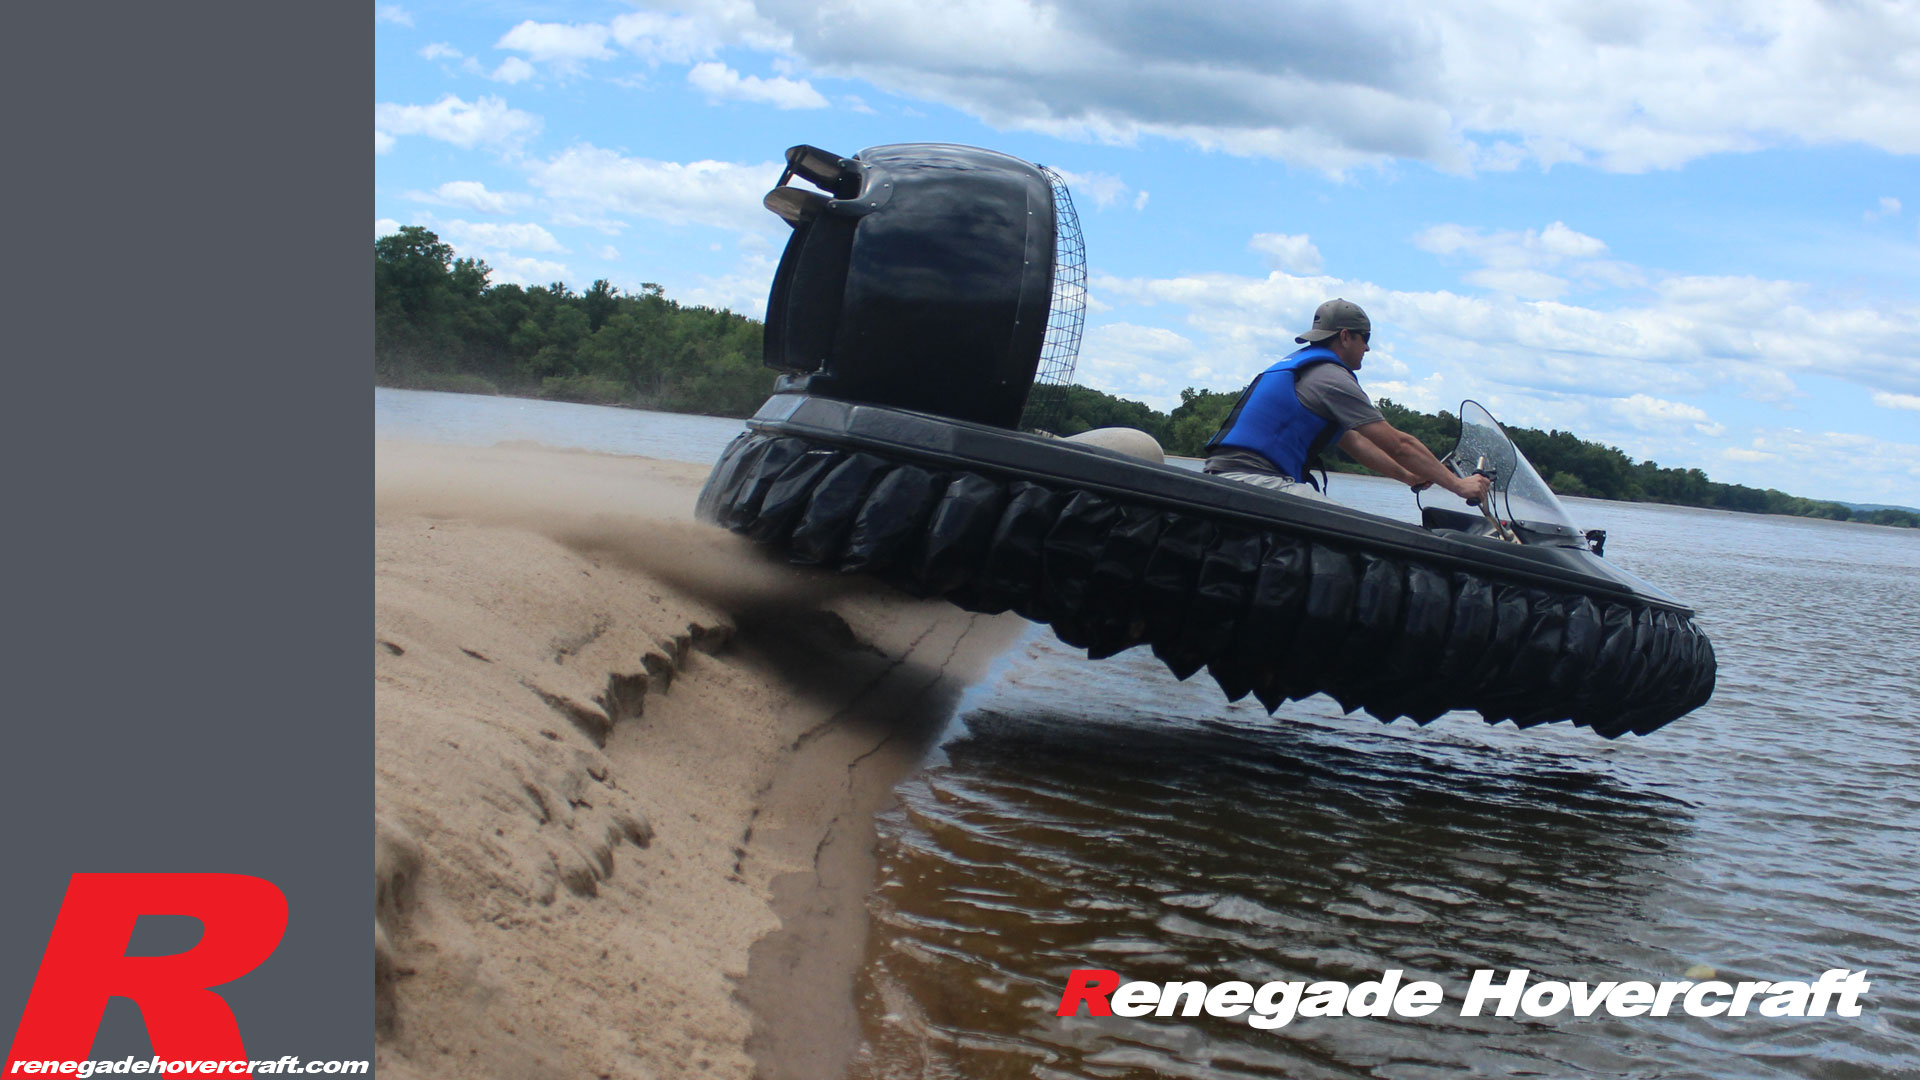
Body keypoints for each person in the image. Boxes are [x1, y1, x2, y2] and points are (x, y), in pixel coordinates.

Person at [1203, 298, 1491, 505]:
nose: (1367, 347)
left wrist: (1407, 476)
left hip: (1230, 474)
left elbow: (1354, 442)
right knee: (1355, 534)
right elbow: (1399, 444)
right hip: (1255, 479)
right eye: (1365, 338)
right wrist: (1458, 485)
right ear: (1344, 336)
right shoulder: (1330, 377)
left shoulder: (1305, 368)